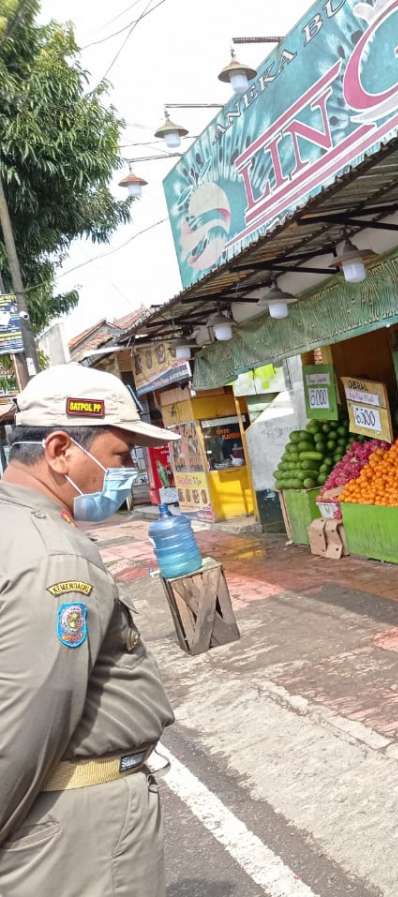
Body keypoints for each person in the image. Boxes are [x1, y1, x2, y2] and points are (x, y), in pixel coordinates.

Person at [0, 363, 178, 896]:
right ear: (60, 452)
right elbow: (32, 717)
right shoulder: (55, 558)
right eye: (119, 456)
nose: (128, 473)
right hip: (80, 833)